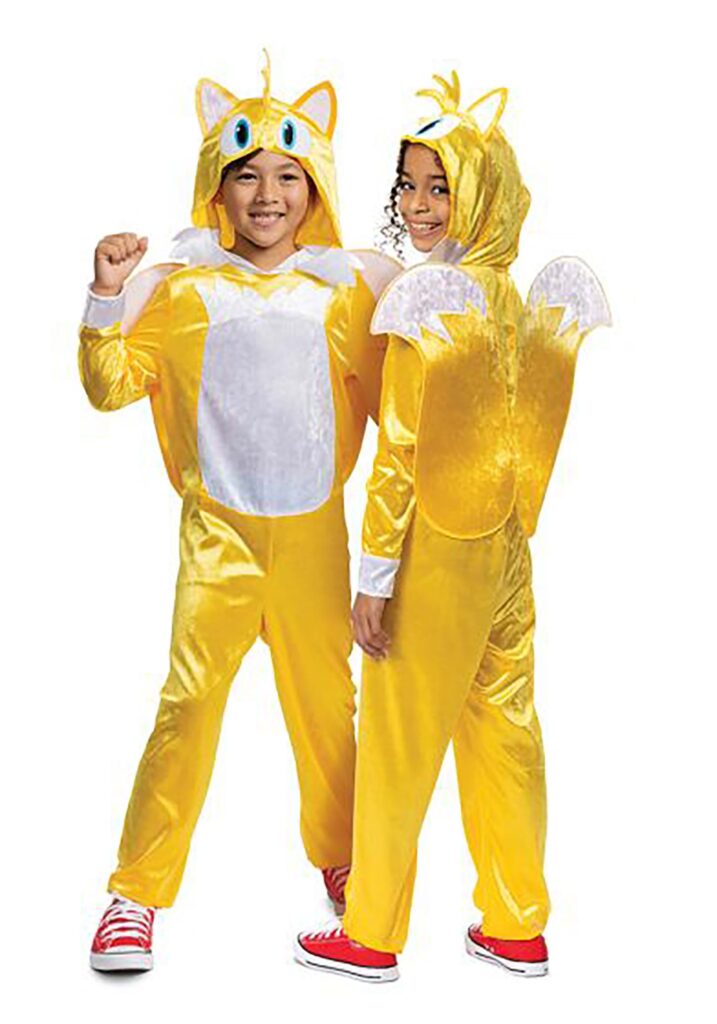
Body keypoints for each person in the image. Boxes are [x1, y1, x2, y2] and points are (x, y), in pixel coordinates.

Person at [80, 56, 399, 972]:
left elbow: (400, 413)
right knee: (187, 707)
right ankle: (135, 893)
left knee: (328, 711)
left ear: (315, 188)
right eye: (246, 174)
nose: (267, 195)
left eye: (288, 176)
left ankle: (346, 860)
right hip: (216, 540)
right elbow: (109, 386)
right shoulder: (181, 290)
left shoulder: (343, 293)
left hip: (313, 540)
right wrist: (106, 295)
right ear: (216, 188)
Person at [295, 71, 610, 983]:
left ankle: (370, 931)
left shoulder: (428, 304)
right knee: (505, 730)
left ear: (483, 193)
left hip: (433, 550)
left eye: (441, 186)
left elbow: (398, 452)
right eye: (409, 185)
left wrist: (373, 577)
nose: (419, 205)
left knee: (399, 738)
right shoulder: (519, 301)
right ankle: (515, 921)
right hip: (506, 551)